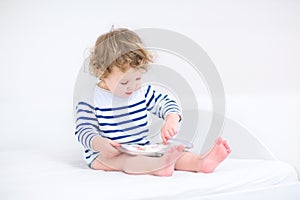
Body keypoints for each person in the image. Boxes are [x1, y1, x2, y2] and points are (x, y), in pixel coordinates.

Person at [74, 27, 231, 176]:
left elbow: (166, 102)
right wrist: (99, 143)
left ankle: (200, 163)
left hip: (141, 148)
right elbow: (83, 130)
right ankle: (158, 168)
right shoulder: (91, 99)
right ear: (102, 72)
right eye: (124, 82)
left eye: (138, 78)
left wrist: (171, 118)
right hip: (105, 155)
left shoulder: (140, 92)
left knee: (172, 152)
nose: (133, 86)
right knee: (126, 161)